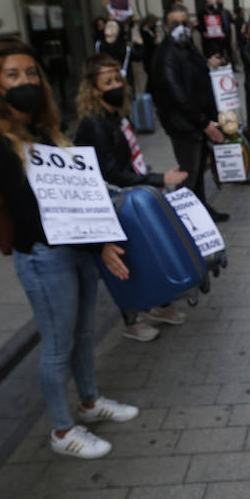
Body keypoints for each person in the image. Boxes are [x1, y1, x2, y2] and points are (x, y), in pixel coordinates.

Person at [0, 38, 138, 459]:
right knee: (58, 343)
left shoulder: (46, 131)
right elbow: (29, 213)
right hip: (44, 256)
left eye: (31, 73)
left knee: (83, 333)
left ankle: (89, 400)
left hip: (77, 249)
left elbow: (78, 191)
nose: (25, 80)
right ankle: (63, 430)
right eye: (13, 74)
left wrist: (100, 229)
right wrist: (98, 242)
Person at [73, 53, 190, 342]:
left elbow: (128, 165)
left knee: (147, 251)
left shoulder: (116, 118)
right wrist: (158, 179)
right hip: (109, 202)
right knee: (127, 260)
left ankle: (159, 303)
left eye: (117, 79)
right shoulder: (94, 124)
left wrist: (151, 177)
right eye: (107, 81)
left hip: (127, 196)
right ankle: (132, 318)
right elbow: (111, 172)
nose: (116, 85)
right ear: (93, 88)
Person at [149, 6, 229, 223]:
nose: (181, 27)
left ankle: (202, 211)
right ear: (166, 27)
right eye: (175, 23)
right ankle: (181, 222)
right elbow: (177, 95)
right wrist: (204, 123)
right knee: (189, 175)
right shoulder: (165, 54)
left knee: (198, 173)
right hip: (184, 126)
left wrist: (208, 65)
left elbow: (195, 76)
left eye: (185, 22)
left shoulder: (187, 47)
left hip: (197, 122)